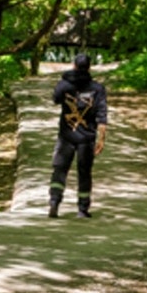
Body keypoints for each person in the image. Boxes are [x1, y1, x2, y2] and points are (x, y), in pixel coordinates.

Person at [49, 53, 108, 218]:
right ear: (89, 68)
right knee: (84, 172)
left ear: (74, 65)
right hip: (87, 139)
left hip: (66, 136)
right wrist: (101, 139)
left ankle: (54, 201)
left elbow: (55, 99)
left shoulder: (64, 84)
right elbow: (102, 116)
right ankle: (82, 209)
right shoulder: (97, 89)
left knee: (59, 169)